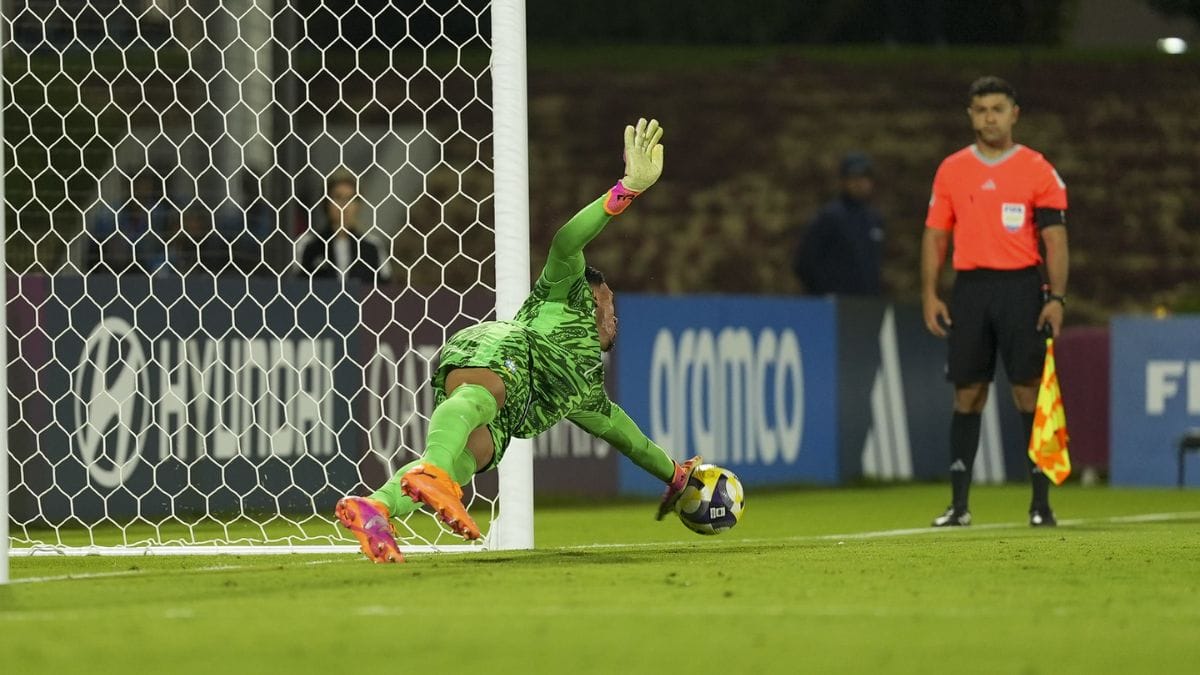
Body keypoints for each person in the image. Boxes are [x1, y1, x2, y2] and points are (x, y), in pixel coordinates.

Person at [335, 118, 704, 563]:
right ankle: (434, 470)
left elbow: (635, 443)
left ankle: (377, 508)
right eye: (607, 304)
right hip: (504, 350)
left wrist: (679, 480)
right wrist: (626, 190)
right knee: (477, 402)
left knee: (471, 457)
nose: (614, 316)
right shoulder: (564, 293)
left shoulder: (587, 394)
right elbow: (567, 242)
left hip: (507, 413)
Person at [921, 76, 1069, 528]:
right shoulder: (951, 170)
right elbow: (935, 235)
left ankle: (1041, 505)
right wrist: (930, 293)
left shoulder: (1037, 169)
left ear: (1014, 114)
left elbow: (1056, 240)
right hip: (970, 289)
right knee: (967, 393)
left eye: (997, 109)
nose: (989, 117)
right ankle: (959, 506)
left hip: (1021, 288)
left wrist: (1057, 297)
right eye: (981, 109)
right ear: (970, 114)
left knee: (1028, 392)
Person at [793, 151, 886, 296]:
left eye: (864, 177)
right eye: (854, 178)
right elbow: (804, 262)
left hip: (867, 305)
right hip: (835, 305)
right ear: (843, 181)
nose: (860, 183)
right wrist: (823, 292)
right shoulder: (830, 216)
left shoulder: (874, 219)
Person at [296, 168, 390, 284]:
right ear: (326, 202)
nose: (344, 205)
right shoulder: (307, 245)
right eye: (338, 197)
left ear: (358, 204)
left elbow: (386, 292)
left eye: (351, 198)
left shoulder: (372, 247)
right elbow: (297, 289)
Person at [85, 170, 174, 275]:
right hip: (118, 267)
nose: (142, 192)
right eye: (138, 187)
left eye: (146, 188)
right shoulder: (111, 215)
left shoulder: (159, 215)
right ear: (129, 188)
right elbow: (96, 244)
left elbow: (166, 244)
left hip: (149, 268)